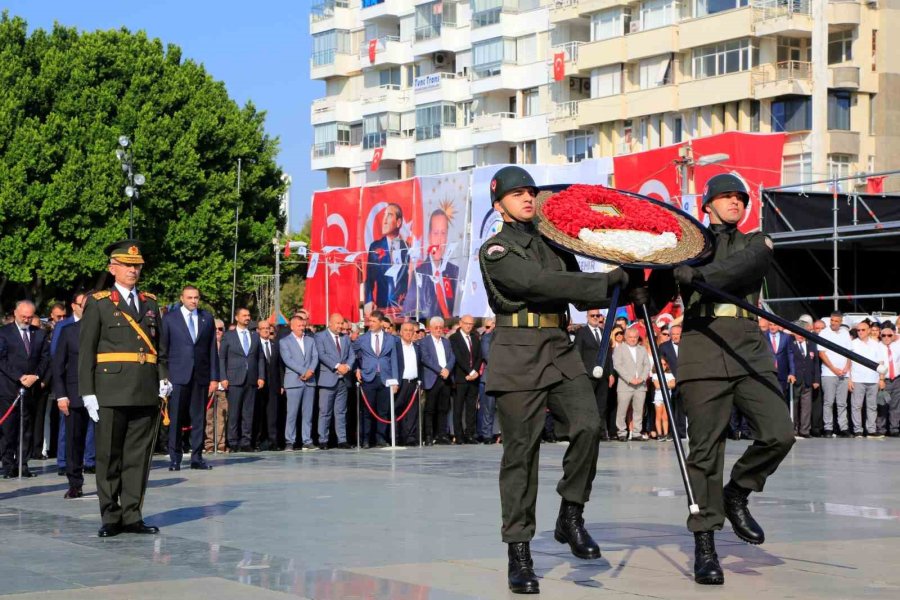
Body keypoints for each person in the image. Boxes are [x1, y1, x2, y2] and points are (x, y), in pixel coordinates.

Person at [478, 166, 635, 594]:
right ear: (499, 205)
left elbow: (570, 280)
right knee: (521, 455)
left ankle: (570, 513)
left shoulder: (553, 243)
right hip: (518, 349)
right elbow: (539, 283)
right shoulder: (495, 249)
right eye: (517, 194)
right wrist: (603, 284)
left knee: (587, 424)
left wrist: (627, 273)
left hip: (558, 344)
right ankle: (519, 551)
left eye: (530, 192)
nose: (527, 198)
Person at [672, 173, 795, 585]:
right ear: (706, 204)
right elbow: (655, 290)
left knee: (780, 432)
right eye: (725, 197)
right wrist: (643, 282)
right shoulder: (685, 246)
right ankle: (705, 544)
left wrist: (699, 276)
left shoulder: (755, 242)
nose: (735, 203)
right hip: (701, 347)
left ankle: (738, 491)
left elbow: (747, 265)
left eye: (740, 198)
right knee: (705, 452)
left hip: (748, 348)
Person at [78, 240, 170, 537]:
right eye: (127, 265)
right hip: (110, 389)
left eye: (137, 266)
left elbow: (159, 349)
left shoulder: (151, 303)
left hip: (144, 389)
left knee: (138, 457)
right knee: (108, 456)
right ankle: (110, 516)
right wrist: (87, 392)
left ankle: (132, 514)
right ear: (112, 268)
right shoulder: (99, 302)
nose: (133, 270)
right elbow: (86, 351)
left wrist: (163, 377)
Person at [161, 285, 218, 471]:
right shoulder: (170, 319)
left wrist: (214, 377)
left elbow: (212, 350)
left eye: (196, 297)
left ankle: (197, 457)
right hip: (178, 375)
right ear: (182, 298)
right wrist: (164, 376)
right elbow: (164, 349)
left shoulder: (207, 318)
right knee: (176, 418)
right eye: (190, 297)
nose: (193, 300)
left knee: (199, 418)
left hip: (200, 376)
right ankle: (175, 458)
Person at [0, 300, 51, 478]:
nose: (27, 320)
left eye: (30, 317)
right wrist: (19, 377)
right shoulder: (4, 333)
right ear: (15, 313)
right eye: (23, 316)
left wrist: (35, 376)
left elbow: (45, 358)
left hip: (31, 389)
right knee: (8, 429)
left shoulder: (40, 334)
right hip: (9, 388)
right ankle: (7, 465)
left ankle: (23, 464)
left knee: (27, 429)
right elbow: (2, 360)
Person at [53, 292, 91, 497]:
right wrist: (61, 395)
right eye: (83, 305)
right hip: (74, 393)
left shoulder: (102, 330)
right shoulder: (67, 331)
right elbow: (58, 365)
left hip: (100, 392)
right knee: (74, 440)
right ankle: (75, 482)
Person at [219, 308, 265, 452]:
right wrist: (223, 377)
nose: (247, 317)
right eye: (244, 315)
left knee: (248, 413)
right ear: (237, 317)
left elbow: (260, 358)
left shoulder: (255, 336)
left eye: (249, 315)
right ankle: (233, 441)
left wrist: (261, 376)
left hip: (251, 379)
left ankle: (246, 441)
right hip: (234, 379)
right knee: (234, 412)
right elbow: (222, 358)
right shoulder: (229, 336)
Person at [353, 310, 399, 448]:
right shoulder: (362, 339)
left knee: (383, 411)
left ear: (380, 322)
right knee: (367, 411)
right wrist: (357, 369)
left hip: (385, 378)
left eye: (373, 321)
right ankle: (366, 439)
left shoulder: (390, 339)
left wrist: (395, 380)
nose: (370, 324)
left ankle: (380, 438)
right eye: (369, 321)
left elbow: (394, 360)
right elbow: (352, 355)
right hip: (368, 378)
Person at [403, 209, 459, 320]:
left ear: (447, 237)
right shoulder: (418, 273)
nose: (439, 240)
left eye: (443, 233)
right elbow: (409, 313)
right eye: (436, 233)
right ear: (429, 237)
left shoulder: (454, 271)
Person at [315, 313, 355, 450]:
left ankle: (342, 440)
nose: (340, 326)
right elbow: (322, 355)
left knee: (341, 411)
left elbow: (351, 355)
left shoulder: (346, 338)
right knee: (325, 411)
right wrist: (338, 366)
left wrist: (347, 367)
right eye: (337, 323)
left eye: (341, 323)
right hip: (327, 379)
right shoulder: (320, 337)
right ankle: (323, 439)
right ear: (330, 323)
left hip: (343, 380)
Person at [280, 313, 319, 450]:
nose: (302, 328)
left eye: (303, 325)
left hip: (310, 381)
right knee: (292, 413)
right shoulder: (284, 342)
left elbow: (315, 357)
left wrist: (310, 371)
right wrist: (303, 371)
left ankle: (307, 440)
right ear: (292, 327)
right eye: (299, 325)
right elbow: (288, 360)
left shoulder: (310, 340)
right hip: (293, 381)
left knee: (307, 413)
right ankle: (289, 441)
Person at [364, 203, 409, 316]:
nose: (384, 220)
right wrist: (369, 300)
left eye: (389, 215)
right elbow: (369, 278)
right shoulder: (376, 247)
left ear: (398, 222)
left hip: (403, 308)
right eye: (384, 215)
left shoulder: (408, 248)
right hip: (382, 307)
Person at [573, 310, 611, 441]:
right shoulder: (582, 333)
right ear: (587, 317)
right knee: (587, 404)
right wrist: (580, 373)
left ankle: (600, 431)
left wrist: (610, 373)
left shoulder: (604, 333)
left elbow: (609, 354)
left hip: (603, 375)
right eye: (592, 315)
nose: (595, 318)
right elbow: (577, 353)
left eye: (598, 315)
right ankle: (587, 431)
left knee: (602, 404)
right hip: (588, 375)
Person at [419, 316, 455, 446]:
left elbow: (452, 357)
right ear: (430, 329)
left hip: (445, 379)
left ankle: (442, 435)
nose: (439, 330)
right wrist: (441, 370)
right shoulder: (425, 342)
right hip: (432, 378)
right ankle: (428, 436)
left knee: (443, 408)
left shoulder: (446, 342)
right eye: (436, 327)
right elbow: (426, 359)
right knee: (430, 409)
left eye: (441, 327)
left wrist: (447, 369)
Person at [848, 319, 887, 438]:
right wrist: (849, 379)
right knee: (856, 406)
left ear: (869, 330)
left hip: (873, 379)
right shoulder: (852, 343)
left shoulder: (876, 344)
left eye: (863, 330)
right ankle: (858, 430)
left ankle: (871, 430)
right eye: (858, 330)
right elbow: (848, 361)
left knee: (872, 406)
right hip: (857, 379)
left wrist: (881, 379)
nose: (860, 332)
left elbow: (880, 362)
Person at [612, 326, 652, 441]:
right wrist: (630, 379)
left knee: (639, 410)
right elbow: (617, 366)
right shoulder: (619, 349)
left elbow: (647, 365)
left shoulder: (642, 349)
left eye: (635, 337)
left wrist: (642, 378)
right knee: (622, 410)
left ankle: (636, 433)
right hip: (625, 385)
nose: (633, 339)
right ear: (625, 337)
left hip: (640, 385)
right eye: (630, 337)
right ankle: (621, 432)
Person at [819, 311, 853, 437]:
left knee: (842, 402)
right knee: (828, 401)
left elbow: (849, 353)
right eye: (832, 321)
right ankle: (828, 428)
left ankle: (843, 428)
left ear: (841, 322)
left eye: (836, 321)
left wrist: (847, 367)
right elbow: (822, 353)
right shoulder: (824, 333)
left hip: (844, 373)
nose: (833, 323)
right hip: (829, 373)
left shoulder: (845, 333)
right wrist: (834, 369)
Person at [449, 314, 482, 444]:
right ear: (461, 323)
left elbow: (479, 356)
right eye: (466, 323)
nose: (468, 326)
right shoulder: (454, 338)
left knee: (471, 408)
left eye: (471, 324)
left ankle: (470, 434)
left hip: (473, 378)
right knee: (458, 408)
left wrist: (475, 371)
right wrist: (469, 371)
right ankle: (459, 435)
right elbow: (458, 357)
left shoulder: (475, 338)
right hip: (461, 378)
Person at [788, 321, 820, 438]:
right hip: (795, 379)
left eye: (803, 333)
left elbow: (815, 362)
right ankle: (793, 428)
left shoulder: (811, 344)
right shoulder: (790, 343)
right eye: (798, 332)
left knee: (807, 406)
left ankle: (805, 430)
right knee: (794, 405)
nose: (800, 335)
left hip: (807, 379)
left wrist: (816, 379)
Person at [256, 320, 283, 451]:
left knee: (272, 414)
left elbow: (280, 366)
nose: (266, 331)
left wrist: (281, 384)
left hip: (273, 385)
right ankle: (258, 441)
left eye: (268, 329)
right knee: (259, 415)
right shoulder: (255, 345)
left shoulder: (274, 345)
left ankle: (273, 441)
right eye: (264, 328)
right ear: (258, 330)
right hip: (259, 385)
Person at [395, 321, 422, 446]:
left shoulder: (417, 347)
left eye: (411, 330)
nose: (408, 333)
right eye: (406, 330)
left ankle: (410, 437)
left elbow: (420, 365)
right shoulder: (396, 346)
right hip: (401, 383)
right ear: (400, 332)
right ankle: (397, 436)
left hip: (414, 383)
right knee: (397, 409)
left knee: (412, 411)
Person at [205, 319, 228, 453]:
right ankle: (209, 445)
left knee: (222, 418)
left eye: (220, 329)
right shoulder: (206, 345)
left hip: (223, 387)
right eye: (215, 329)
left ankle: (220, 445)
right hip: (209, 386)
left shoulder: (226, 345)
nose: (218, 332)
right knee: (209, 418)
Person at [478, 319, 499, 444]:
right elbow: (487, 356)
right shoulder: (487, 338)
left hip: (506, 379)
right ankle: (487, 435)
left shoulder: (509, 338)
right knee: (488, 409)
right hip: (490, 378)